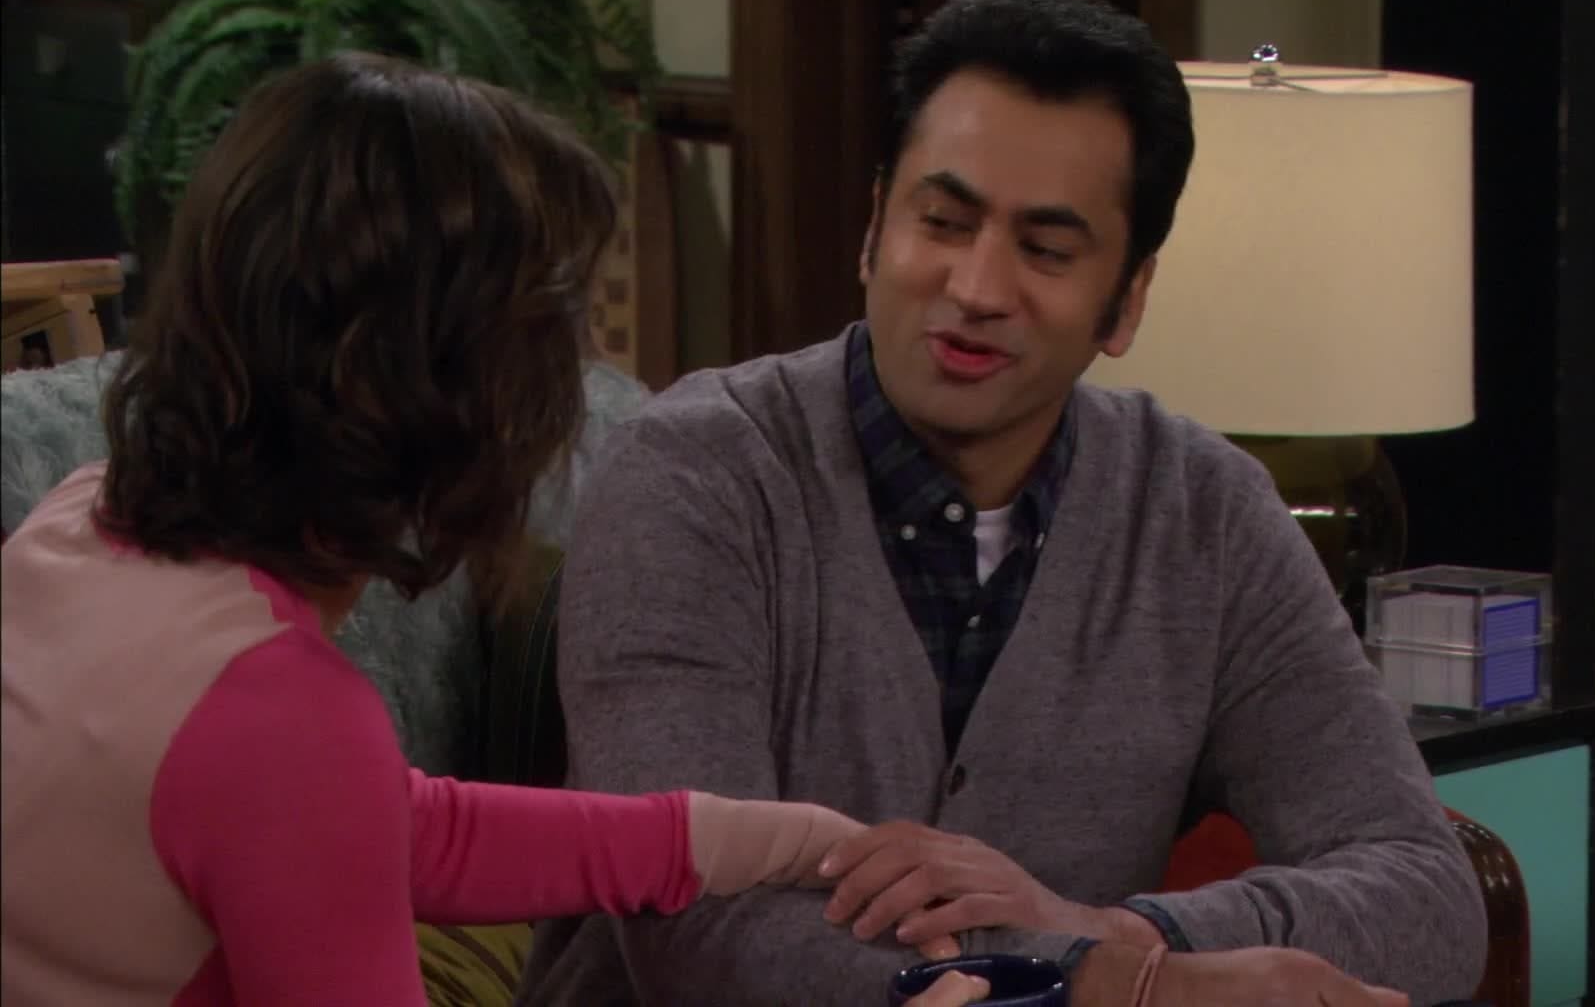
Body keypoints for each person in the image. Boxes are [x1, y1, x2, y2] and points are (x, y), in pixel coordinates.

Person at [517, 0, 1486, 1007]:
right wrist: (1094, 982)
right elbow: (697, 931)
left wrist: (1119, 937)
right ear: (873, 228)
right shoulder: (693, 477)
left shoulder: (1205, 516)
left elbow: (1428, 898)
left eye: (1046, 251)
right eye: (942, 221)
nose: (976, 289)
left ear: (1127, 300)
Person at [0, 53, 974, 1007]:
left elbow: (389, 830)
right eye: (557, 335)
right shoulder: (282, 721)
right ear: (457, 389)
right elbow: (315, 795)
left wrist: (765, 841)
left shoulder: (78, 522)